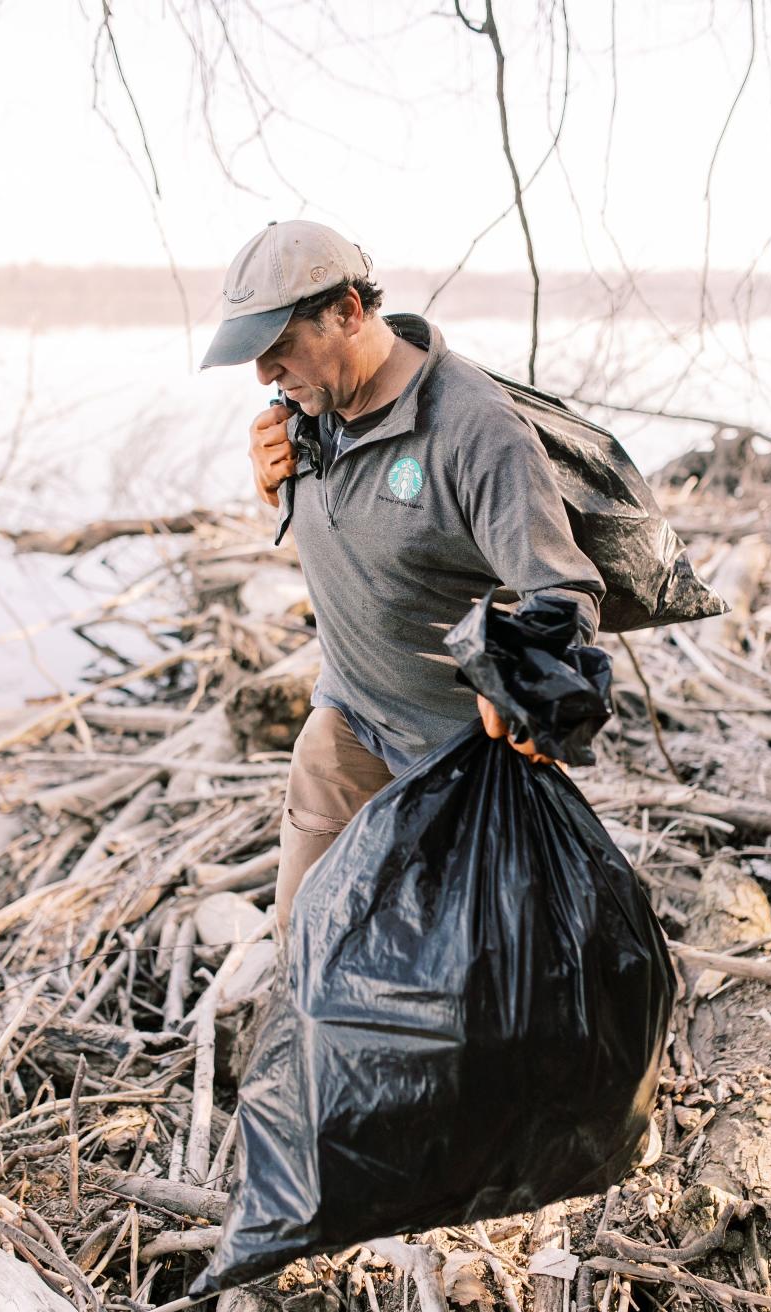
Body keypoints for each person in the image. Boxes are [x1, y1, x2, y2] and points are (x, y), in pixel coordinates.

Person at [202, 219, 605, 935]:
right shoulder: (306, 408)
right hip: (348, 727)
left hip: (470, 759)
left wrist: (524, 684)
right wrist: (272, 487)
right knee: (311, 942)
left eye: (279, 348)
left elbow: (563, 590)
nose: (264, 374)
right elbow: (348, 527)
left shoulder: (476, 431)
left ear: (349, 312)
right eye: (255, 356)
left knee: (511, 977)